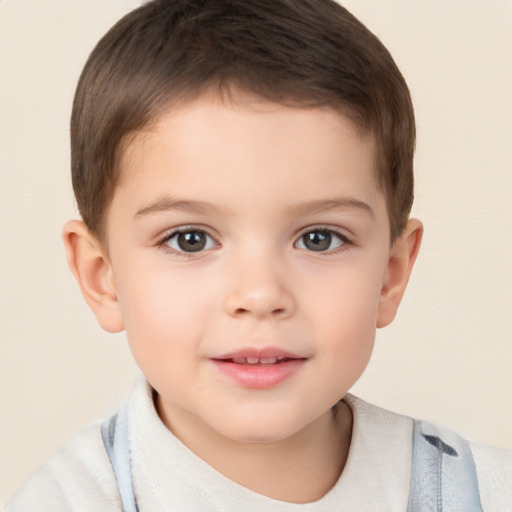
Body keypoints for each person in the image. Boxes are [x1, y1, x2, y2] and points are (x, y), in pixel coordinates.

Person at [5, 0, 511, 510]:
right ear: (102, 277)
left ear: (390, 275)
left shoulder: (486, 493)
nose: (260, 294)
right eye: (190, 239)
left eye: (319, 238)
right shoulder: (66, 501)